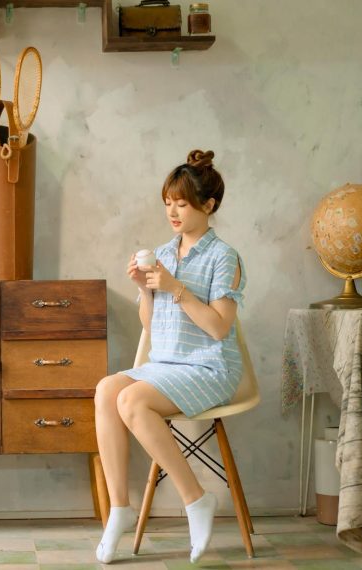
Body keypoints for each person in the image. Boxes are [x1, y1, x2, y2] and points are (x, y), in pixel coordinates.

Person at [94, 149, 246, 564]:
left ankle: (196, 499)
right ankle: (119, 509)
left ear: (208, 205)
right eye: (168, 203)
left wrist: (177, 288)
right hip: (164, 364)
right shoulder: (163, 252)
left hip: (209, 367)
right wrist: (146, 288)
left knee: (131, 399)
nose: (173, 212)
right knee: (107, 389)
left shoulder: (224, 257)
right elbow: (151, 322)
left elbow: (218, 327)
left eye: (182, 203)